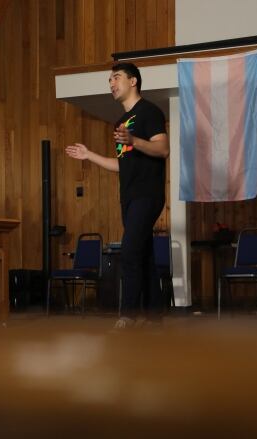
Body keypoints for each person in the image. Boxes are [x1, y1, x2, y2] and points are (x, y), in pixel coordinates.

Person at [65, 63, 169, 328]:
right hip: (129, 196)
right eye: (109, 79)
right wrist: (89, 155)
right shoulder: (121, 122)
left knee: (131, 252)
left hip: (148, 194)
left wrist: (135, 140)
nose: (111, 83)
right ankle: (155, 315)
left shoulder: (149, 111)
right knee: (144, 255)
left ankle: (128, 315)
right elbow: (121, 165)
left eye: (116, 77)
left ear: (133, 81)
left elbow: (162, 149)